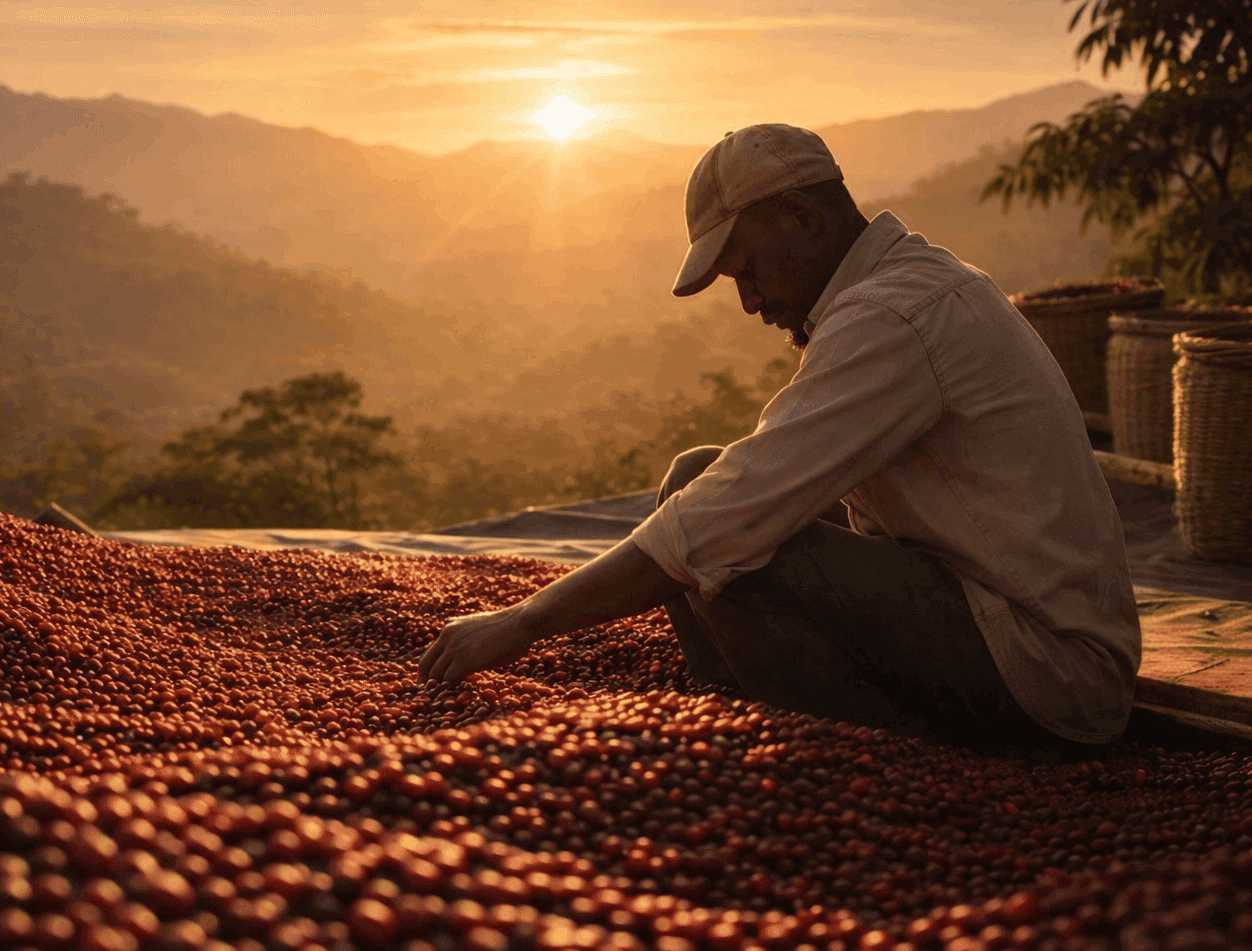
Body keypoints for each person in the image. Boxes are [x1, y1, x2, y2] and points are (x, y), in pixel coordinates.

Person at [418, 124, 1141, 751]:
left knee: (733, 537)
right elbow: (734, 491)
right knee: (695, 478)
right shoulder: (904, 286)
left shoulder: (895, 316)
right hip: (993, 611)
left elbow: (733, 511)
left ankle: (883, 756)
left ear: (802, 219)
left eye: (750, 270)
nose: (751, 301)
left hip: (1046, 665)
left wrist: (524, 621)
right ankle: (738, 701)